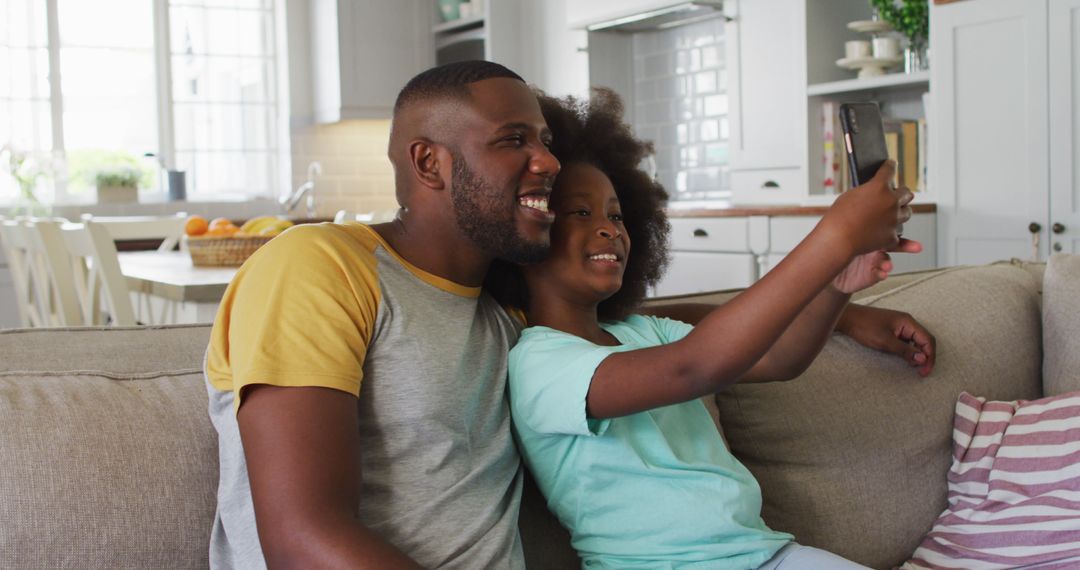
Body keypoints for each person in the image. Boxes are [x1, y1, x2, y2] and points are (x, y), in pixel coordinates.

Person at [204, 60, 931, 569]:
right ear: (429, 165)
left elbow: (657, 333)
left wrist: (837, 308)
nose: (547, 163)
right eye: (514, 140)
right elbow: (303, 539)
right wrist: (831, 236)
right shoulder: (318, 266)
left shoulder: (499, 317)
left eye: (545, 140)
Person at [493, 88, 934, 569]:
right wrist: (834, 236)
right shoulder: (539, 363)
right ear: (529, 234)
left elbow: (778, 357)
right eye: (582, 213)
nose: (610, 229)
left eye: (617, 215)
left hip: (767, 554)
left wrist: (838, 284)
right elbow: (694, 368)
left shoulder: (644, 332)